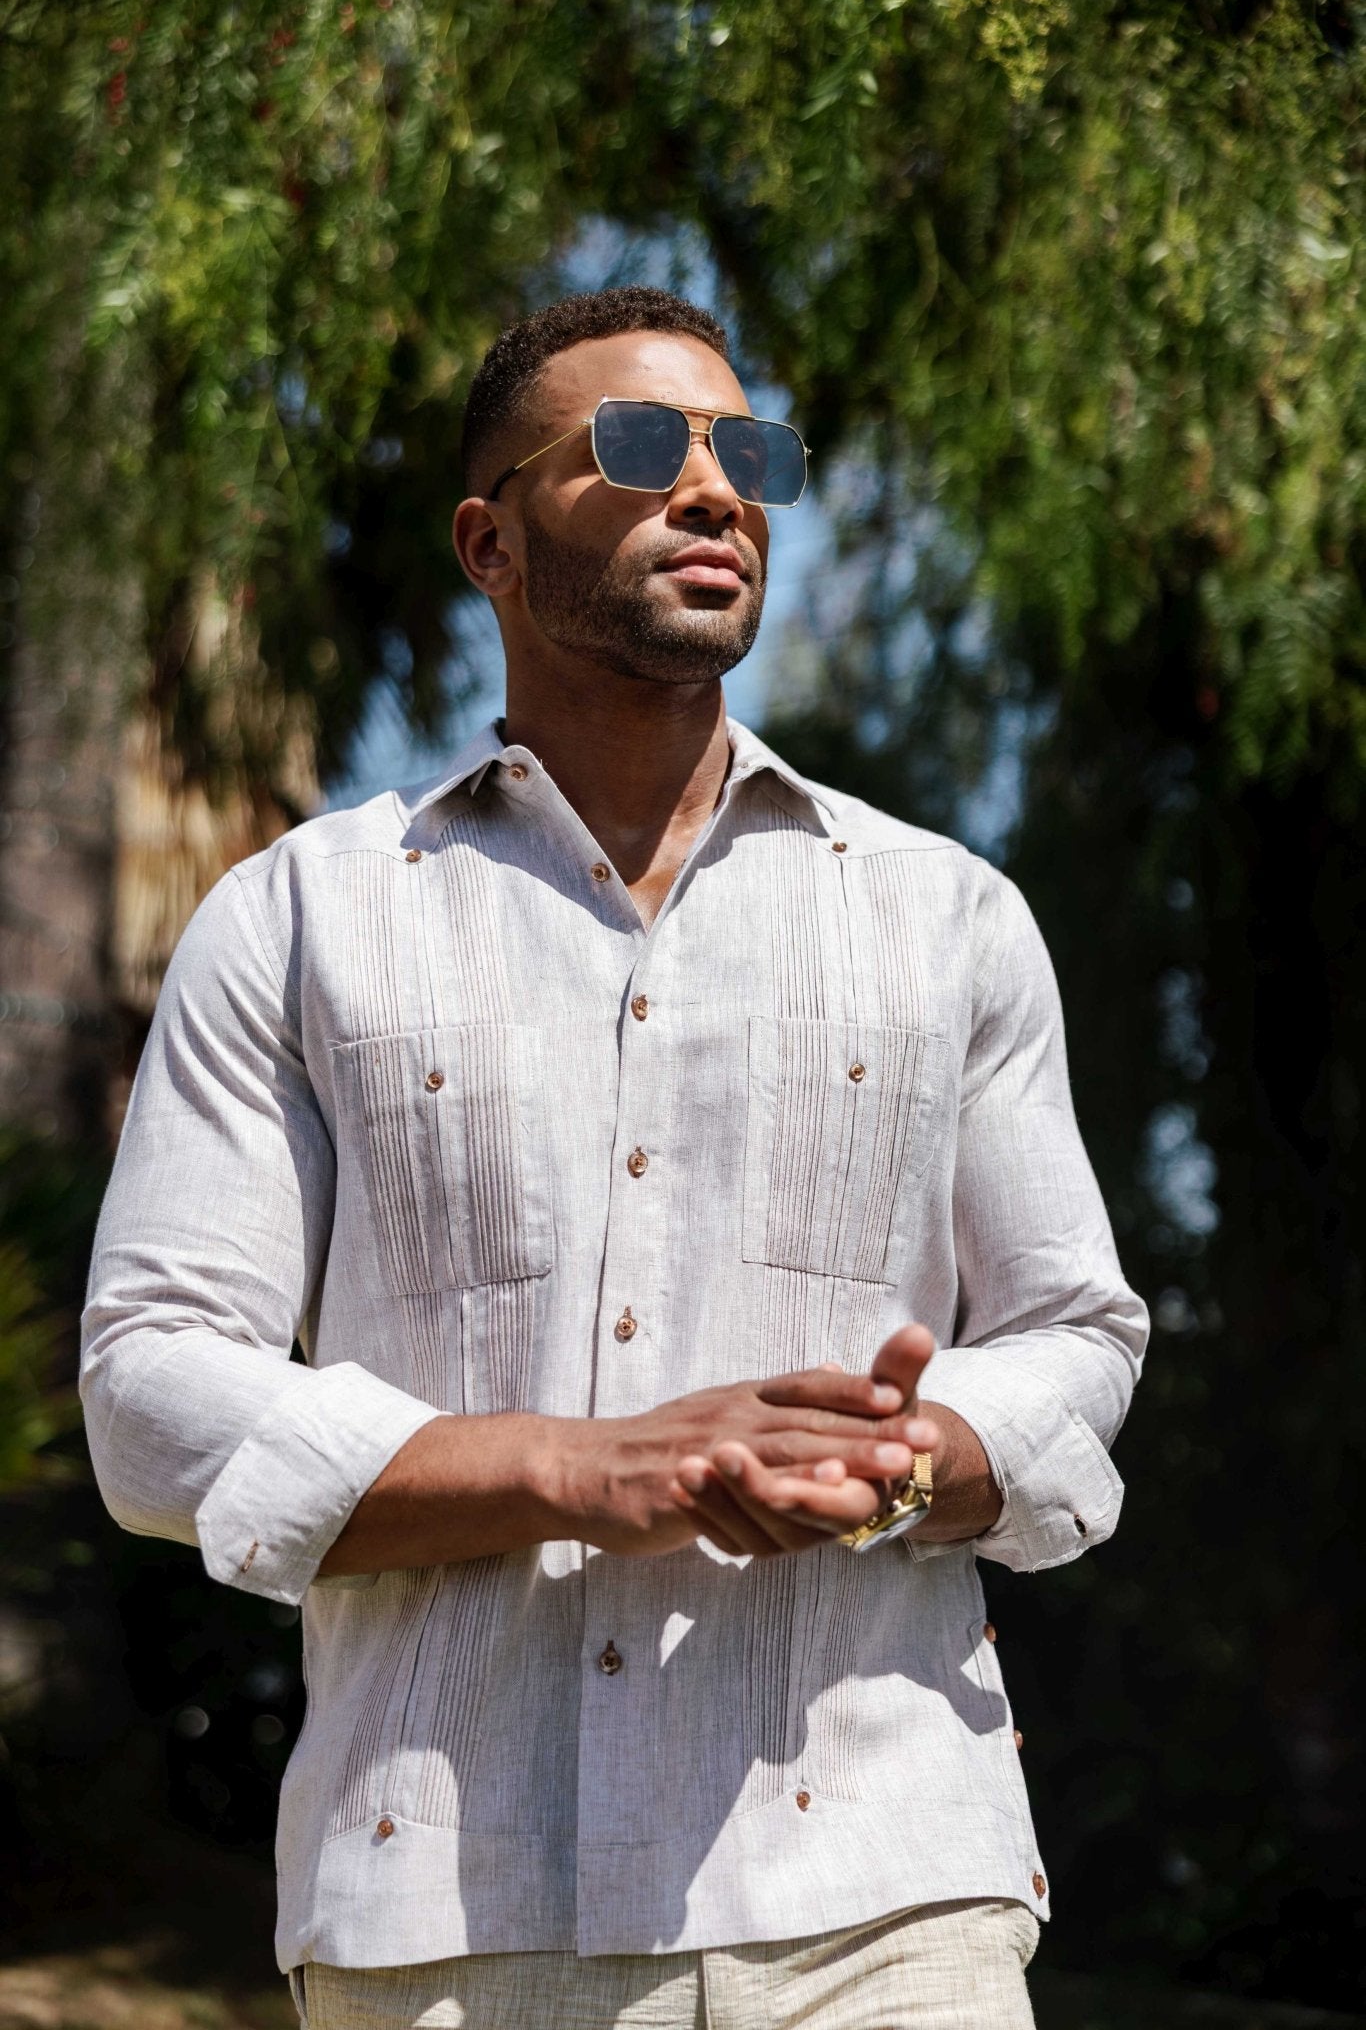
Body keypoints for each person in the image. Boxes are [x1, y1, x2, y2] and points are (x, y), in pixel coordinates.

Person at [81, 284, 1148, 2030]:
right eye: (642, 447)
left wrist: (901, 1464)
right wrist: (582, 1470)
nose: (714, 490)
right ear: (488, 543)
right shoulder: (296, 921)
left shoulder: (946, 914)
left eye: (751, 456)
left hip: (888, 1895)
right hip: (449, 1907)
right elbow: (151, 1390)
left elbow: (1075, 1336)